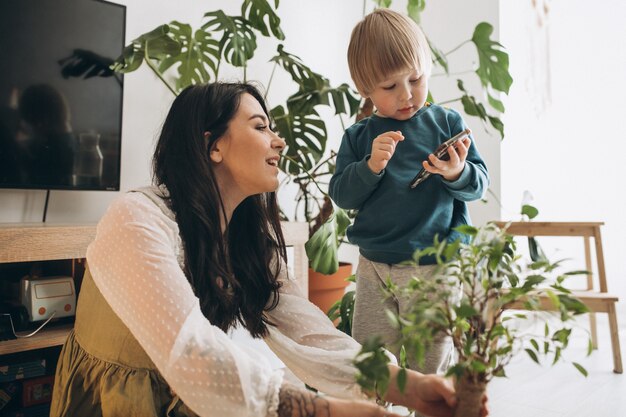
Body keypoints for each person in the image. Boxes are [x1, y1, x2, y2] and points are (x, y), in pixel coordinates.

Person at [50, 82, 485, 417]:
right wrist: (324, 409)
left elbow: (310, 332)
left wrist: (409, 385)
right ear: (212, 145)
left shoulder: (250, 238)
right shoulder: (136, 218)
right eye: (260, 127)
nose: (279, 141)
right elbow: (192, 353)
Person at [329, 9, 490, 378]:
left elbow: (478, 184)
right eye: (390, 87)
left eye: (416, 79)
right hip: (374, 266)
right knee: (371, 362)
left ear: (427, 69)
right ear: (364, 90)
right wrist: (369, 167)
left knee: (431, 364)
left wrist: (456, 171)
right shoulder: (358, 137)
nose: (407, 95)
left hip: (432, 266)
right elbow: (342, 195)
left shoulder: (447, 124)